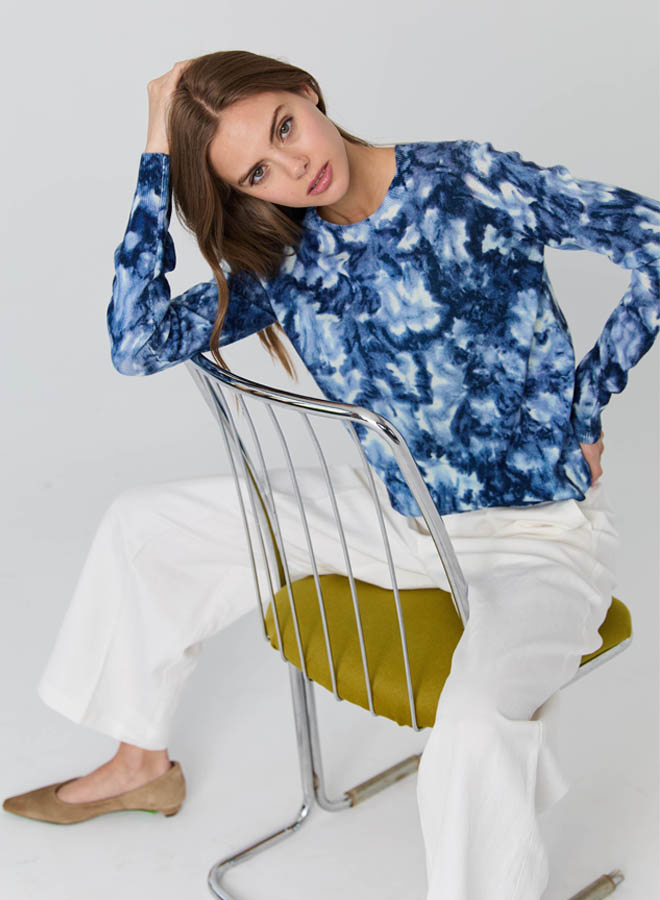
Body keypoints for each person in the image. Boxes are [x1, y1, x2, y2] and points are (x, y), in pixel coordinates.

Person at [4, 49, 659, 900]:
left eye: (285, 127)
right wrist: (158, 149)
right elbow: (137, 343)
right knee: (146, 525)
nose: (294, 167)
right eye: (256, 172)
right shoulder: (286, 258)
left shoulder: (470, 179)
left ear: (307, 91)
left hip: (534, 538)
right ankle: (141, 766)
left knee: (473, 723)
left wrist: (587, 403)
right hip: (397, 520)